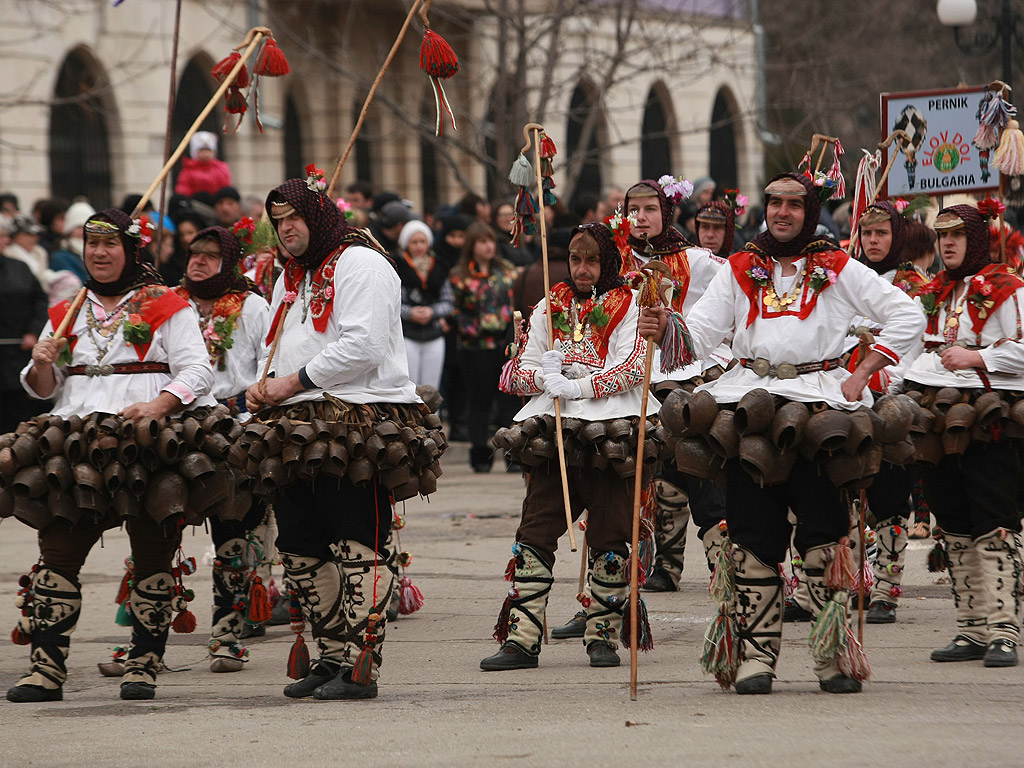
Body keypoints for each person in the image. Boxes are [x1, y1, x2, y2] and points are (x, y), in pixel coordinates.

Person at [639, 172, 924, 694]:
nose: (782, 212)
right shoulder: (741, 267)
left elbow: (906, 315)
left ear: (809, 210)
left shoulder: (840, 267)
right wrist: (667, 327)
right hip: (750, 407)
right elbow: (701, 332)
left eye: (794, 204)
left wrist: (864, 372)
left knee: (823, 535)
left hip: (821, 409)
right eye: (774, 203)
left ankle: (832, 656)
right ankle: (754, 658)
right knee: (751, 535)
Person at [6, 208, 214, 703]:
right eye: (91, 245)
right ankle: (46, 669)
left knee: (152, 554)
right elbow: (45, 390)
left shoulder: (167, 305)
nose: (98, 254)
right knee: (57, 552)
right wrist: (40, 365)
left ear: (130, 250)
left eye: (109, 245)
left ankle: (143, 664)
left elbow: (199, 370)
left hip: (146, 442)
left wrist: (162, 403)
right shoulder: (67, 308)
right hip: (73, 445)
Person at [245, 174, 423, 701]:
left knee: (357, 541)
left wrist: (289, 383)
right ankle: (331, 655)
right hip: (291, 424)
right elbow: (276, 344)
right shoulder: (289, 277)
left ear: (318, 215)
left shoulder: (363, 264)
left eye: (294, 219)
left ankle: (362, 663)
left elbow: (363, 346)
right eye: (277, 223)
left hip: (355, 419)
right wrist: (262, 385)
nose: (285, 231)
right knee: (299, 544)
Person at [482, 221, 653, 671]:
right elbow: (517, 369)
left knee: (611, 534)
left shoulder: (629, 302)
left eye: (592, 259)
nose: (582, 269)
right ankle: (521, 640)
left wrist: (581, 385)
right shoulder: (549, 302)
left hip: (613, 430)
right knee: (535, 530)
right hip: (553, 428)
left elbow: (634, 365)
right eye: (576, 259)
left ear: (608, 261)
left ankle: (602, 635)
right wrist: (543, 375)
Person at [904, 203, 1024, 668]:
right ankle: (971, 629)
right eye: (942, 237)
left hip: (992, 419)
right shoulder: (931, 292)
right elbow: (908, 350)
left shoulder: (1009, 288)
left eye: (957, 235)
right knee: (951, 520)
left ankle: (1003, 630)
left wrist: (978, 359)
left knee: (993, 520)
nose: (947, 244)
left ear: (976, 240)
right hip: (936, 420)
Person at [625, 179, 729, 598]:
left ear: (665, 213)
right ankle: (662, 567)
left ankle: (725, 572)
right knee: (657, 479)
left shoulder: (697, 260)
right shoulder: (613, 257)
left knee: (699, 471)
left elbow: (739, 291)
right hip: (633, 379)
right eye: (633, 209)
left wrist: (722, 348)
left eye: (649, 208)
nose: (641, 217)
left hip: (686, 379)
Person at [175, 225, 271, 671]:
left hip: (235, 426)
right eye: (194, 253)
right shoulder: (168, 305)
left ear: (229, 262)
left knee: (234, 533)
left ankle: (228, 634)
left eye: (210, 256)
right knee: (155, 529)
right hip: (176, 428)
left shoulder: (253, 307)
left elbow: (272, 367)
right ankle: (145, 643)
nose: (198, 261)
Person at [448, 221, 518, 472]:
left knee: (508, 400)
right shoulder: (460, 275)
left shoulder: (507, 271)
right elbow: (454, 311)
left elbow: (514, 305)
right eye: (482, 241)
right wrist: (476, 328)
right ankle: (479, 451)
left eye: (491, 241)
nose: (489, 246)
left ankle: (513, 452)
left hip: (504, 344)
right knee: (480, 400)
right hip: (474, 346)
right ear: (472, 245)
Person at [0, 215, 49, 433]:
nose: (5, 242)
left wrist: (33, 331)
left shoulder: (19, 268)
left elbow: (39, 299)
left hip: (18, 351)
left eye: (4, 237)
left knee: (17, 410)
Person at [395, 220, 452, 390]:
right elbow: (394, 302)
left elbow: (448, 301)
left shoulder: (439, 267)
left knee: (431, 386)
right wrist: (410, 312)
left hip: (434, 333)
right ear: (406, 244)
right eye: (414, 242)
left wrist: (432, 311)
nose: (419, 246)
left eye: (422, 241)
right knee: (410, 384)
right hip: (407, 334)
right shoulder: (398, 267)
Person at [175, 132, 232, 198]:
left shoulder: (221, 169)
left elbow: (225, 186)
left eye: (208, 151)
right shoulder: (188, 169)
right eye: (202, 150)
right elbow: (184, 188)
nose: (205, 154)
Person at [49, 201, 94, 284]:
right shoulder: (61, 256)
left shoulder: (97, 252)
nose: (83, 231)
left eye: (86, 227)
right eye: (79, 227)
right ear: (69, 229)